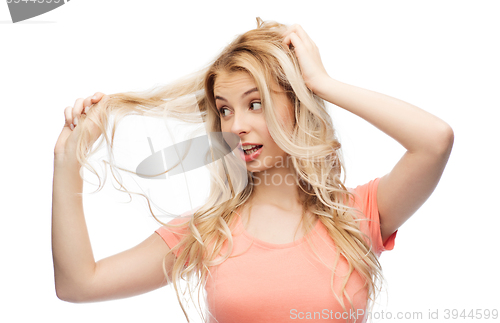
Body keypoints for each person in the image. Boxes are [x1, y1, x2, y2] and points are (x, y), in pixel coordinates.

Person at [52, 18, 454, 322]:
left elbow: (434, 141)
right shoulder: (210, 231)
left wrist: (322, 82)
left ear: (298, 104)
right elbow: (78, 285)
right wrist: (67, 162)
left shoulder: (357, 214)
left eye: (254, 103)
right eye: (224, 109)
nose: (234, 125)